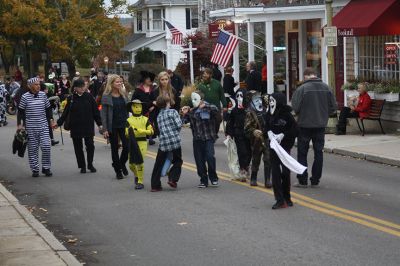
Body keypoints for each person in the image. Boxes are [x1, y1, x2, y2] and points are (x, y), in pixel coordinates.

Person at [291, 67, 337, 187]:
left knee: (302, 153)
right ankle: (315, 179)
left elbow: (295, 107)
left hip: (304, 125)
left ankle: (302, 179)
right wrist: (323, 114)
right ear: (315, 75)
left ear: (306, 76)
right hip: (320, 125)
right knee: (319, 152)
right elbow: (333, 107)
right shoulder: (327, 88)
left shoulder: (302, 89)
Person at [57, 79, 102, 173]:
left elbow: (95, 111)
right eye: (80, 87)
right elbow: (65, 113)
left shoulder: (89, 96)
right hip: (75, 126)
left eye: (83, 86)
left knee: (90, 145)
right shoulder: (71, 98)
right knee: (78, 147)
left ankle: (90, 164)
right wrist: (58, 123)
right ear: (75, 88)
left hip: (88, 125)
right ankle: (82, 166)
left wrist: (100, 124)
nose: (82, 88)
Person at [17, 77, 56, 177]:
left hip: (43, 126)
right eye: (36, 84)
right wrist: (19, 125)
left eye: (39, 84)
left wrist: (51, 120)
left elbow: (48, 109)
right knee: (33, 149)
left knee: (46, 146)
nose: (39, 86)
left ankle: (46, 168)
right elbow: (20, 112)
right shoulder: (25, 97)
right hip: (30, 127)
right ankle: (35, 169)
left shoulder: (43, 95)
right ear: (30, 86)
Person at [265, 93, 298, 209]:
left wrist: (283, 135)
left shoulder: (287, 115)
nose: (270, 103)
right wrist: (268, 133)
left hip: (284, 147)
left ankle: (287, 196)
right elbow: (265, 127)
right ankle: (279, 199)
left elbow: (294, 130)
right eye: (270, 101)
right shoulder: (268, 114)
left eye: (273, 101)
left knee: (285, 172)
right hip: (273, 147)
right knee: (275, 172)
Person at [181, 91, 220, 188]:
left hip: (208, 138)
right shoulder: (192, 111)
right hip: (197, 139)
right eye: (192, 100)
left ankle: (213, 177)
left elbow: (216, 110)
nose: (193, 101)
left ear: (201, 100)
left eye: (196, 99)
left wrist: (206, 106)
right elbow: (184, 121)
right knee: (199, 161)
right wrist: (184, 113)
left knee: (210, 157)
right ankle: (203, 179)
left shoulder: (209, 107)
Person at [150, 95, 183, 192]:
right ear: (168, 103)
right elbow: (179, 125)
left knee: (158, 163)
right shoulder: (173, 112)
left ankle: (155, 185)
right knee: (177, 160)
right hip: (174, 141)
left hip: (164, 142)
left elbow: (159, 128)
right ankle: (173, 179)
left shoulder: (159, 115)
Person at [101, 74, 129, 179]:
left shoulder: (124, 94)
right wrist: (105, 129)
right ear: (111, 83)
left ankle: (120, 164)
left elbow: (128, 108)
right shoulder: (106, 96)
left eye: (121, 82)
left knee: (127, 147)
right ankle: (118, 170)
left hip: (124, 124)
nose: (120, 83)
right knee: (114, 148)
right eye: (117, 82)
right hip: (112, 125)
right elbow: (103, 114)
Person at [244, 90, 271, 188]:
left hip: (267, 138)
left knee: (268, 159)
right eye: (256, 101)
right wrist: (254, 131)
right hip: (257, 140)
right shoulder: (250, 113)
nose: (259, 102)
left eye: (259, 100)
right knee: (256, 159)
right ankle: (253, 177)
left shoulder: (266, 111)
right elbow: (247, 128)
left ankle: (268, 179)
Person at [125, 99, 154, 190]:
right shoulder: (128, 120)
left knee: (139, 161)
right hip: (132, 142)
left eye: (139, 106)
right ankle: (137, 175)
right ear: (132, 108)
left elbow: (151, 131)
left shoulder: (145, 120)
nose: (138, 108)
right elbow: (126, 133)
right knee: (131, 164)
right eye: (135, 106)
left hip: (142, 142)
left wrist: (142, 131)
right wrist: (130, 131)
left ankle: (140, 181)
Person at [226, 89, 251, 181]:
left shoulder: (249, 109)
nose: (240, 98)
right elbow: (230, 122)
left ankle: (246, 166)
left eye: (241, 96)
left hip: (248, 133)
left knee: (249, 152)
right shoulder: (234, 110)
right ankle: (242, 169)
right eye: (238, 96)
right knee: (242, 151)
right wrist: (229, 133)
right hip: (238, 133)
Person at [197, 68, 227, 135]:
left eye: (206, 74)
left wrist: (225, 105)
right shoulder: (200, 86)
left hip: (216, 108)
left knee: (218, 121)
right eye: (203, 74)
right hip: (205, 108)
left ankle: (214, 134)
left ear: (210, 75)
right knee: (206, 122)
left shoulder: (217, 84)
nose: (204, 75)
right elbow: (198, 97)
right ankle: (209, 137)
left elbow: (222, 95)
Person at [131, 71, 156, 145]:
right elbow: (134, 100)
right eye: (148, 78)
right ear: (144, 79)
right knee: (141, 125)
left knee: (150, 124)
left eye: (150, 79)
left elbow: (155, 100)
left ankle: (150, 138)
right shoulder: (138, 90)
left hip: (151, 110)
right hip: (141, 110)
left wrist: (153, 106)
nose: (149, 80)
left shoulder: (153, 89)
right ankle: (141, 137)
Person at [150, 71, 178, 136]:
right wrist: (153, 103)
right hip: (159, 116)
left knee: (171, 135)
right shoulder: (155, 91)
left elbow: (176, 104)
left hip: (170, 115)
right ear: (159, 80)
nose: (164, 81)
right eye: (162, 79)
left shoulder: (173, 90)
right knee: (162, 136)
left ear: (169, 80)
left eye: (166, 79)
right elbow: (150, 101)